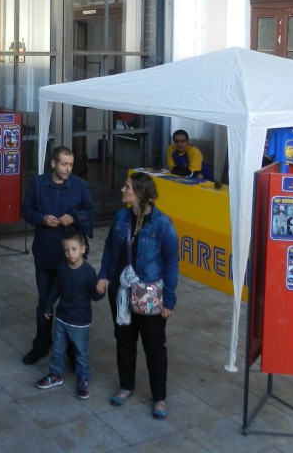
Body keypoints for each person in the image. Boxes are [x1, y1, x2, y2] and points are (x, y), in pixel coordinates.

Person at [96, 172, 179, 420]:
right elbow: (111, 248)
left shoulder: (163, 224)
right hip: (121, 293)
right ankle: (126, 386)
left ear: (141, 194)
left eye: (128, 187)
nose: (123, 190)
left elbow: (171, 263)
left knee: (154, 347)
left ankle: (159, 398)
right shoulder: (121, 216)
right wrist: (104, 275)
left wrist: (169, 300)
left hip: (150, 297)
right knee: (124, 341)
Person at [21, 146, 94, 365]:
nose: (68, 169)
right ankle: (42, 344)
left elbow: (90, 214)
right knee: (45, 302)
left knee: (71, 303)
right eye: (64, 164)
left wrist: (74, 217)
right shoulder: (38, 184)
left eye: (71, 164)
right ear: (53, 164)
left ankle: (71, 350)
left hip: (71, 259)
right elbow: (26, 210)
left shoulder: (79, 186)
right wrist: (41, 218)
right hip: (45, 253)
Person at [34, 227, 104, 399]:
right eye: (66, 250)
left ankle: (83, 380)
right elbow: (55, 289)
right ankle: (55, 375)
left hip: (80, 321)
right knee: (57, 350)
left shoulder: (88, 272)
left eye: (73, 249)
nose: (70, 253)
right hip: (62, 318)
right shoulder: (62, 268)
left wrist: (100, 291)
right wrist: (48, 306)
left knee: (81, 352)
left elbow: (94, 297)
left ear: (83, 249)